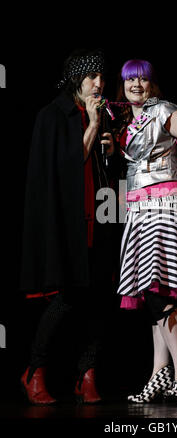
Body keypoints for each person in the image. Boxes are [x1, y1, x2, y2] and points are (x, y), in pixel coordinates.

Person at [19, 48, 117, 404]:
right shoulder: (55, 115)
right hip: (68, 224)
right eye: (92, 77)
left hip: (100, 217)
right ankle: (34, 370)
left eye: (102, 78)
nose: (99, 84)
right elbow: (66, 168)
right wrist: (91, 126)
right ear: (77, 79)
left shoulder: (100, 114)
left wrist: (109, 151)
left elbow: (102, 170)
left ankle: (87, 374)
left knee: (98, 300)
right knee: (66, 298)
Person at [115, 59, 177, 403]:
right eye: (129, 80)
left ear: (153, 84)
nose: (136, 84)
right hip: (139, 209)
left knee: (159, 293)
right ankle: (158, 373)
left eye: (142, 79)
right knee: (152, 293)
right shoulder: (131, 120)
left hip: (164, 207)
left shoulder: (164, 109)